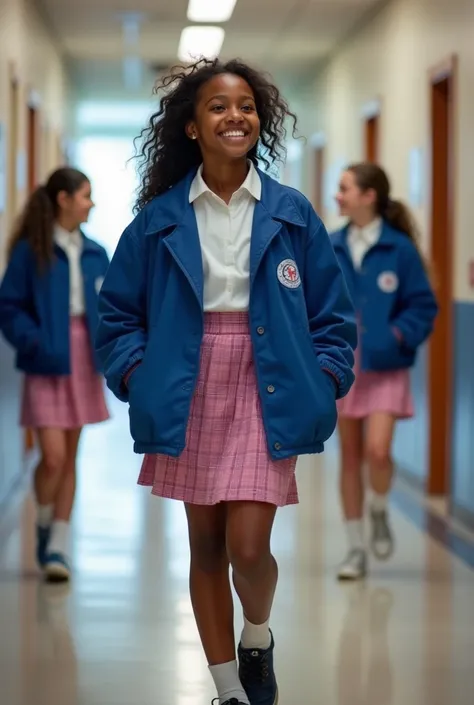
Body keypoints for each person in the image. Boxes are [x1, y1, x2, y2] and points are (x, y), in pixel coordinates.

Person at [96, 58, 357, 705]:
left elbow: (334, 314)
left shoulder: (291, 212)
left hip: (271, 380)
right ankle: (228, 689)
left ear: (258, 119)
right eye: (218, 106)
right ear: (191, 127)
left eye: (245, 105)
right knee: (207, 544)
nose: (234, 115)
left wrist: (323, 378)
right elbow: (117, 312)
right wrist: (137, 373)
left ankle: (258, 636)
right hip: (188, 382)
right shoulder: (159, 219)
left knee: (248, 545)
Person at [0, 167, 110, 582]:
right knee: (53, 457)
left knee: (71, 457)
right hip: (47, 357)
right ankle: (45, 524)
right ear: (63, 199)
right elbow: (8, 306)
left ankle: (58, 546)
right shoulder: (33, 250)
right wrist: (34, 342)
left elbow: (115, 306)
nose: (92, 203)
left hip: (84, 357)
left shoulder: (97, 252)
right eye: (86, 195)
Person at [332, 162, 438, 581]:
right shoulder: (330, 245)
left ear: (368, 196)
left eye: (344, 189)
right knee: (350, 457)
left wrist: (396, 336)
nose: (338, 196)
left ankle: (378, 509)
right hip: (344, 365)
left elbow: (423, 307)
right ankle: (356, 549)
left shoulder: (399, 250)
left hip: (386, 365)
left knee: (378, 451)